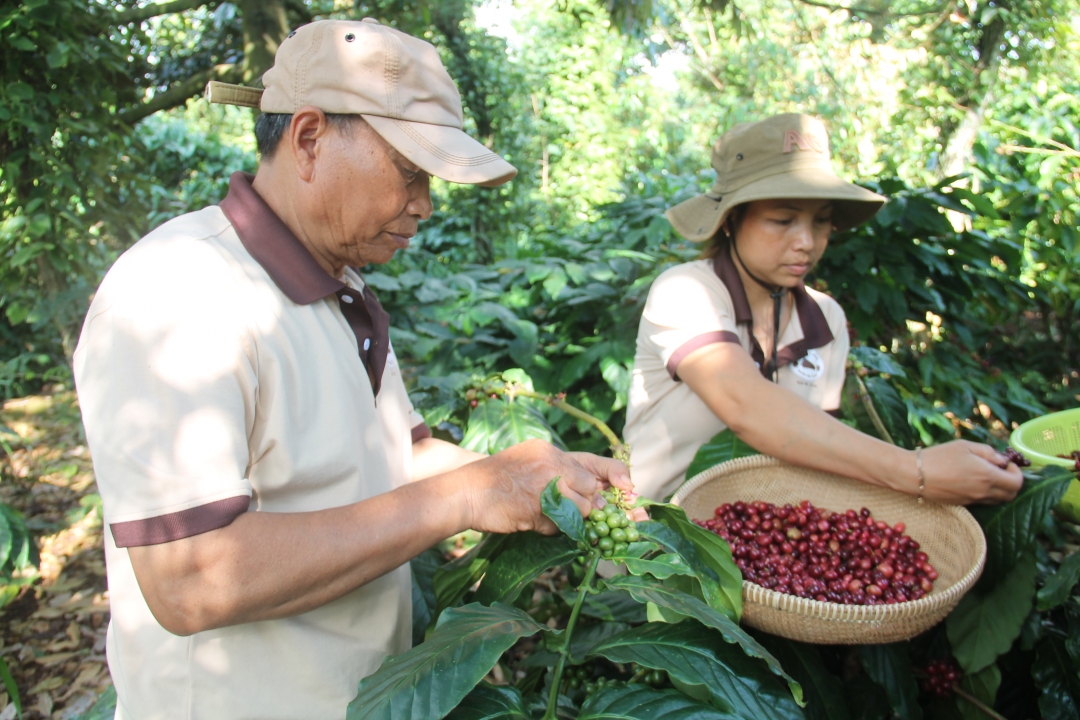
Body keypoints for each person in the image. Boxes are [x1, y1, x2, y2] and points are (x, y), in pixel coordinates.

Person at [73, 19, 635, 720]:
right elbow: (189, 579)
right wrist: (467, 494)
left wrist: (536, 478)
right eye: (409, 172)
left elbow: (398, 458)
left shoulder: (340, 287)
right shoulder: (180, 289)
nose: (425, 205)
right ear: (308, 138)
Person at [623, 113, 1023, 505]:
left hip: (757, 551)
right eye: (782, 220)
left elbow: (817, 449)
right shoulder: (687, 290)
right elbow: (747, 404)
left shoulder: (826, 318)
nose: (806, 242)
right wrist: (914, 470)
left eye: (822, 221)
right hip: (651, 549)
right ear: (730, 221)